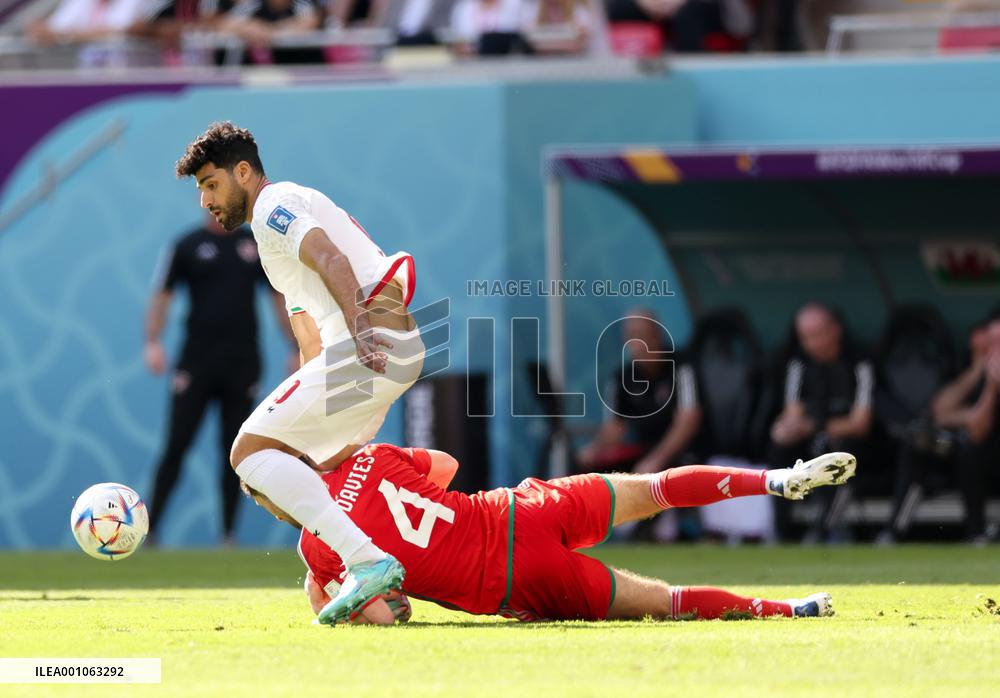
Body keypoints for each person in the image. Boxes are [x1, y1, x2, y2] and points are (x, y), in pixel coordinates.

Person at [174, 121, 424, 623]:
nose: (205, 201)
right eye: (201, 190)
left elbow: (330, 257)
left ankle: (368, 560)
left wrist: (360, 332)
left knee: (248, 453)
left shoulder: (270, 207)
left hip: (371, 341)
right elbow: (309, 339)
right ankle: (376, 588)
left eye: (211, 184)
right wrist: (305, 421)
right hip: (381, 350)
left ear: (243, 172)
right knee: (288, 472)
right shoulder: (272, 240)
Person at [244, 443, 856, 624]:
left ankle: (790, 609)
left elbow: (387, 620)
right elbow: (449, 467)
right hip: (520, 511)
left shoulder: (319, 550)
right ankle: (778, 477)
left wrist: (323, 590)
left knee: (663, 603)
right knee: (659, 488)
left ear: (277, 503)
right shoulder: (368, 456)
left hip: (513, 580)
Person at [144, 210, 293, 546]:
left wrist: (295, 345)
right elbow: (161, 296)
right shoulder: (186, 245)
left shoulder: (253, 245)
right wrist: (153, 341)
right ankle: (150, 531)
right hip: (196, 363)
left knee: (234, 450)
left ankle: (227, 535)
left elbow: (277, 297)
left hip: (242, 364)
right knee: (177, 444)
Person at [577, 310, 702, 539]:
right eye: (632, 336)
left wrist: (656, 459)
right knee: (584, 467)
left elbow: (688, 421)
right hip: (643, 452)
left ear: (657, 335)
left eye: (643, 334)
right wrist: (595, 449)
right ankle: (582, 532)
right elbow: (615, 428)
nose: (638, 343)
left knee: (657, 473)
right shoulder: (622, 377)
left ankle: (655, 527)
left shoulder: (681, 368)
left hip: (681, 454)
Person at [881, 318, 1000, 543]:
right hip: (969, 454)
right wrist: (977, 370)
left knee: (969, 449)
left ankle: (977, 532)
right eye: (990, 343)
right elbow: (938, 410)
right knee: (918, 443)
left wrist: (992, 387)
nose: (992, 349)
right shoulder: (980, 367)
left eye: (997, 343)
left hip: (988, 458)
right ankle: (894, 530)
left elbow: (978, 429)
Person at [768, 303, 874, 542]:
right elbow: (792, 415)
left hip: (857, 444)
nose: (812, 343)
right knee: (780, 447)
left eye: (817, 335)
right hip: (811, 439)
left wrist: (813, 426)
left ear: (835, 330)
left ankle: (824, 529)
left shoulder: (859, 362)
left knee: (840, 450)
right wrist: (784, 429)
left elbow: (860, 423)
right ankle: (779, 530)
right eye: (805, 337)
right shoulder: (799, 364)